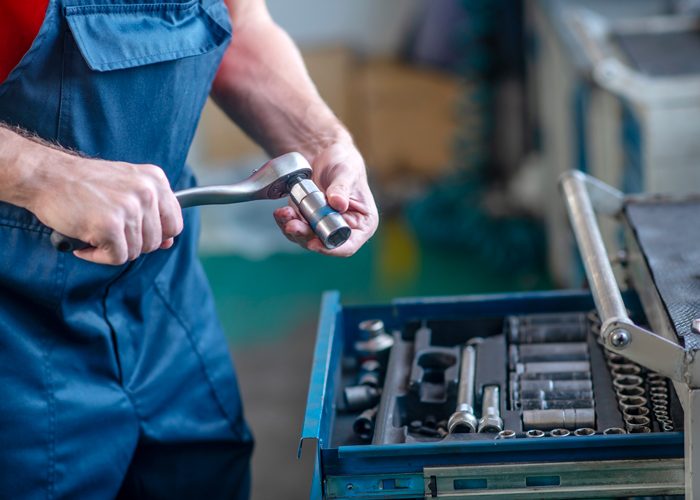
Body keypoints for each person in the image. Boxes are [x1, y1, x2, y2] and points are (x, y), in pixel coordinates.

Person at [0, 0, 378, 497]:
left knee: (204, 475)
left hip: (163, 288)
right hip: (15, 324)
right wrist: (40, 174)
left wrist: (320, 141)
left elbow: (240, 26)